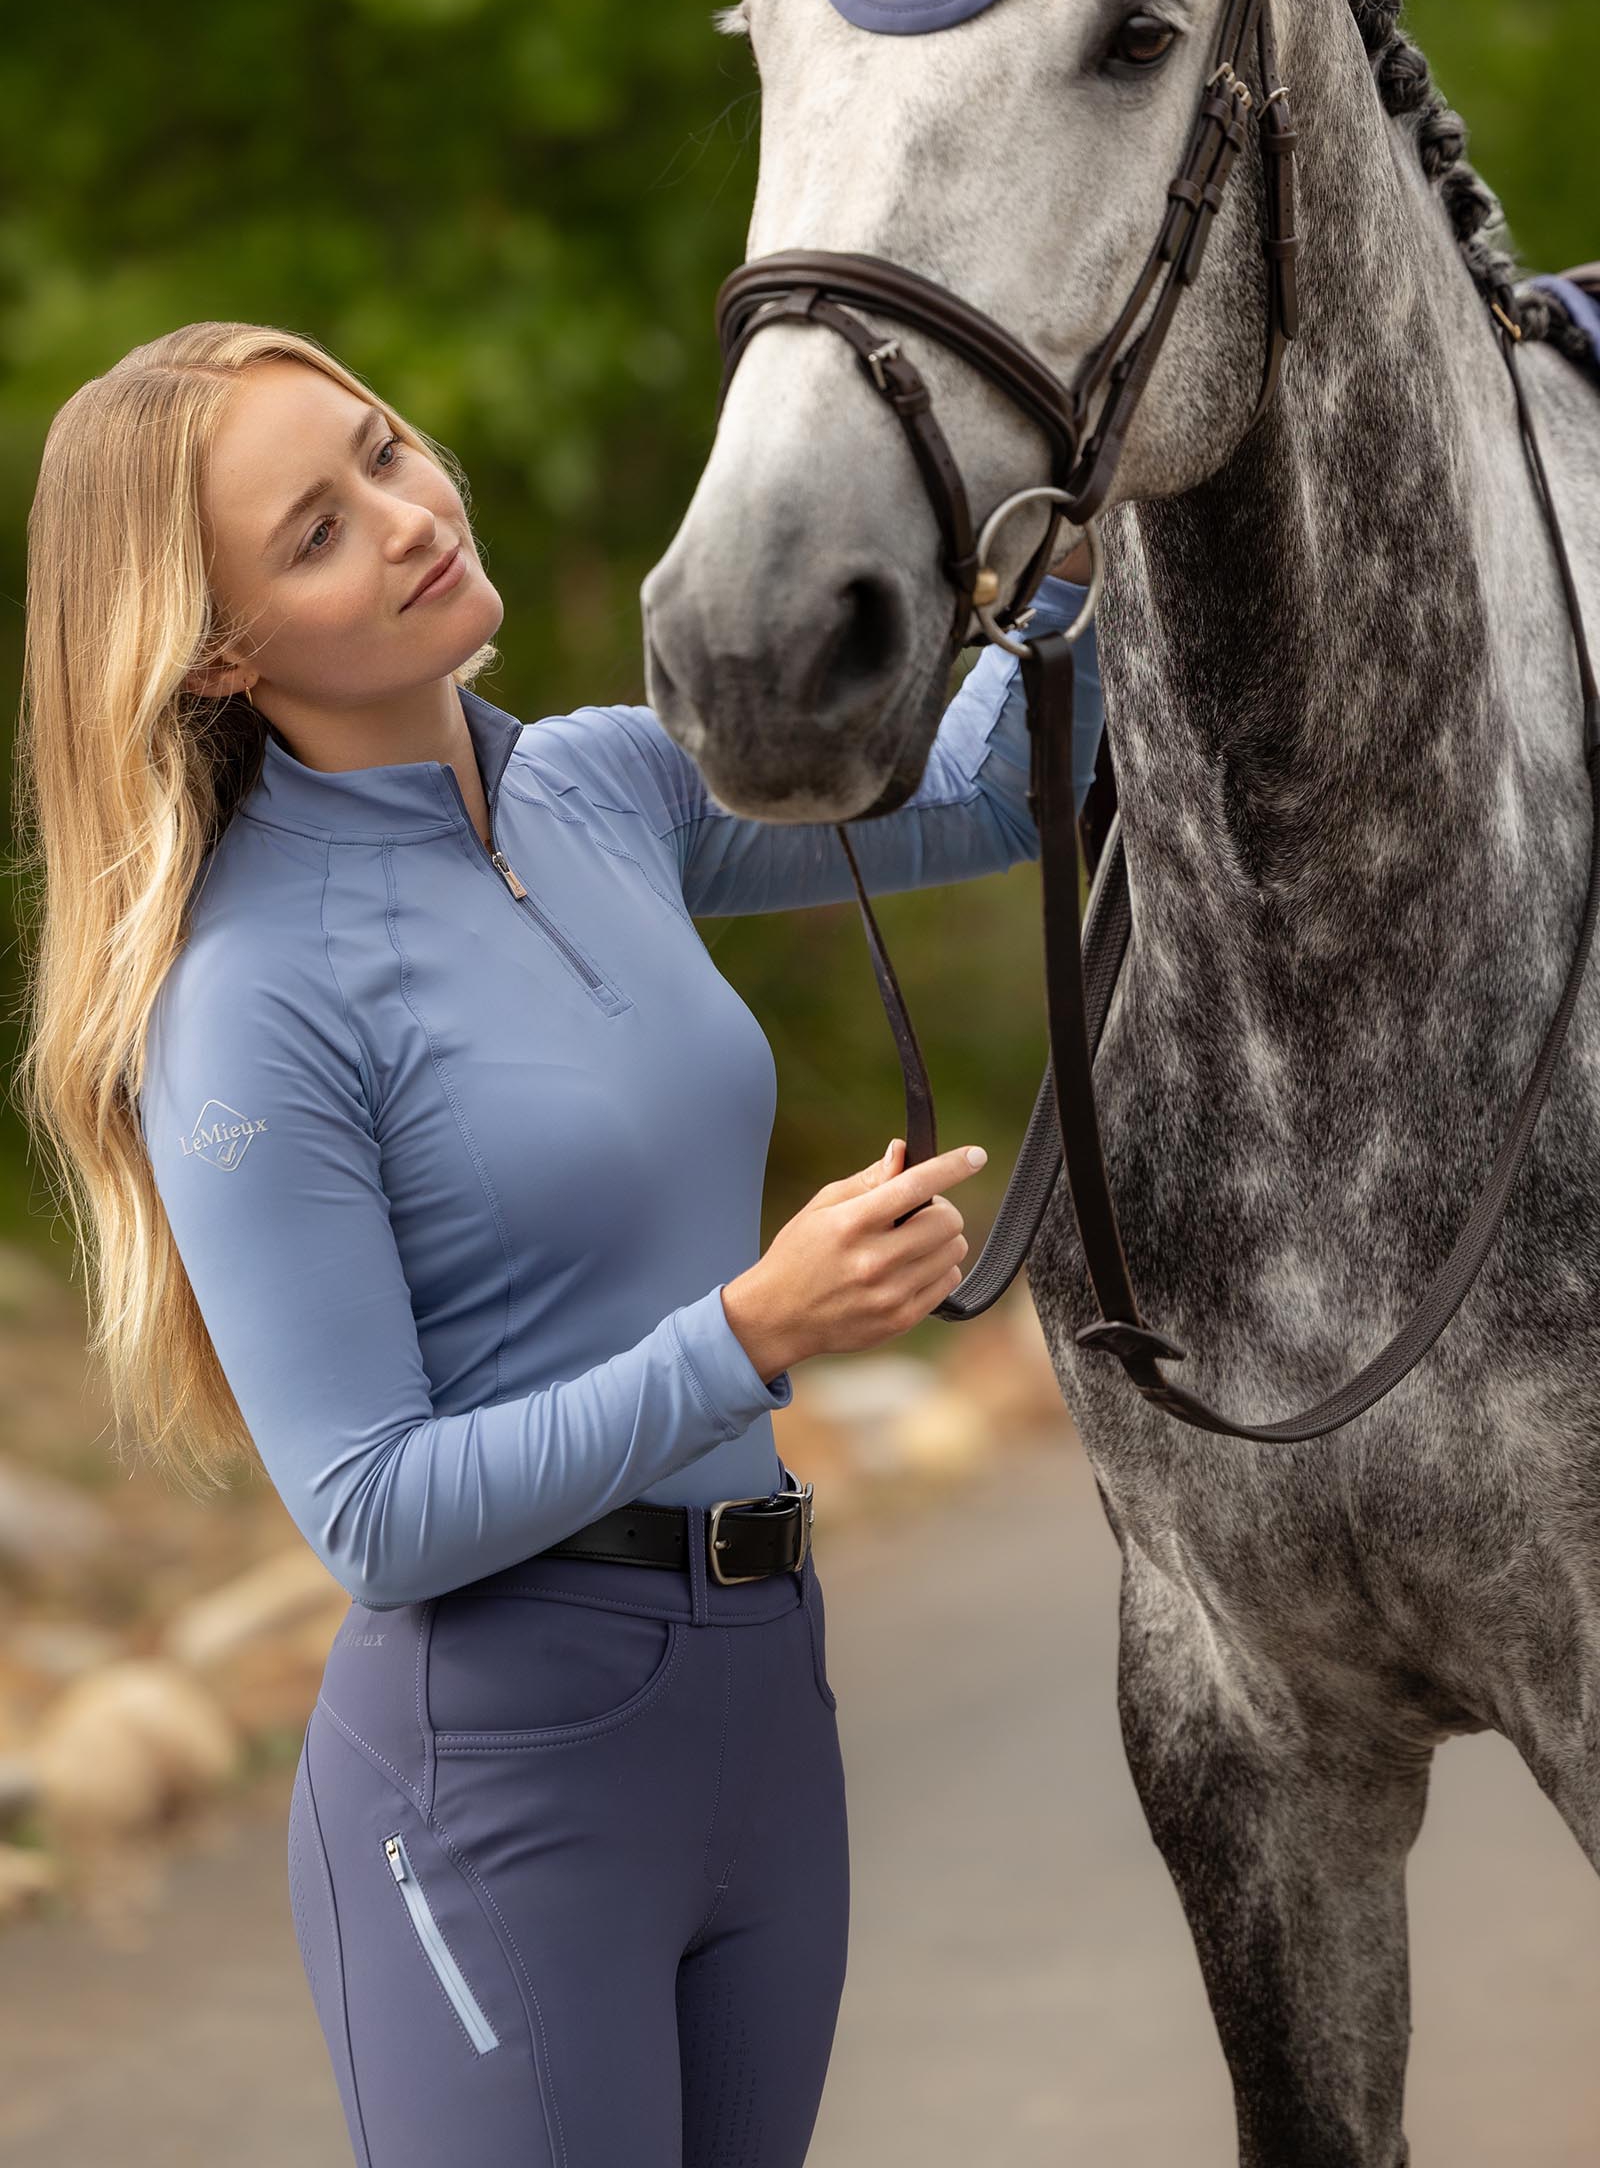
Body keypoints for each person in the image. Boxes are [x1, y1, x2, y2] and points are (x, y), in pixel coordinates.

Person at [13, 322, 1104, 2167]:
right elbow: (370, 1508)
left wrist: (1111, 503)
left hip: (763, 1690)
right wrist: (749, 1331)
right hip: (500, 1776)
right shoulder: (252, 992)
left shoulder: (607, 784)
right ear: (219, 652)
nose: (407, 512)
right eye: (315, 532)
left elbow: (1002, 785)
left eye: (382, 449)